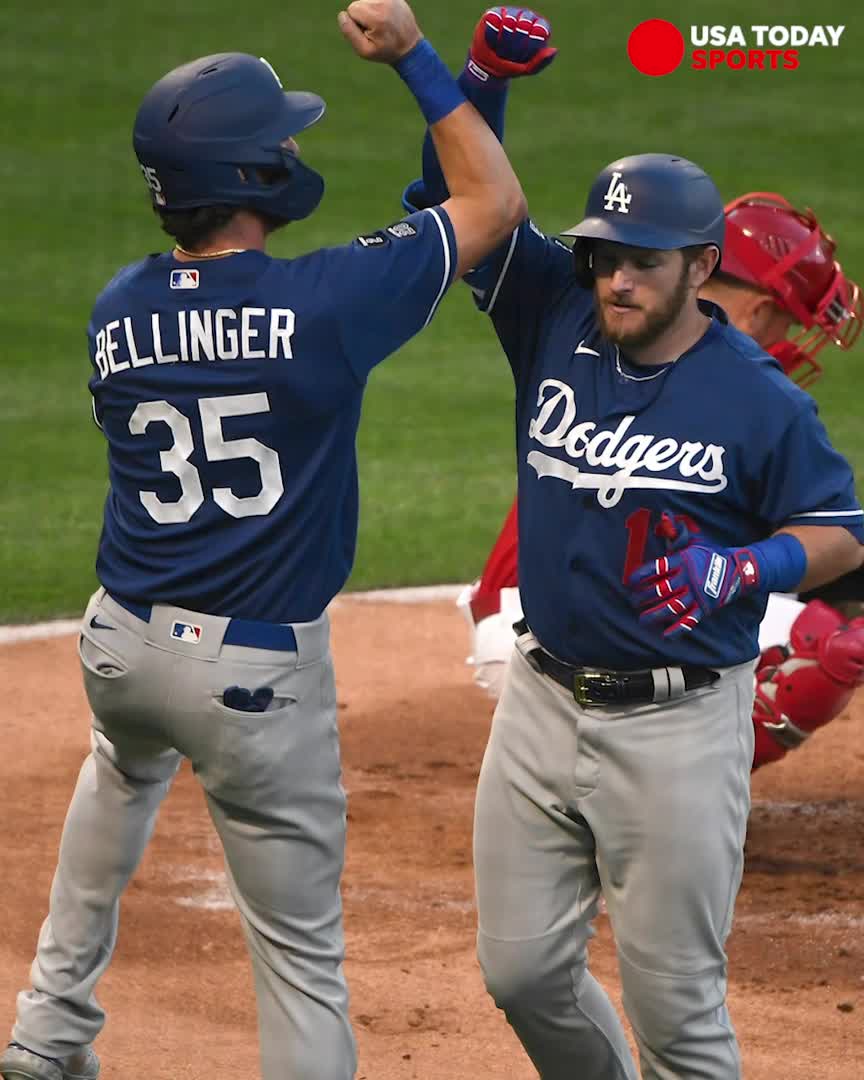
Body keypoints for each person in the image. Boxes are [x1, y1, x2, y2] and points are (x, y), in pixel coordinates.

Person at [0, 4, 528, 1080]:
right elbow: (496, 203)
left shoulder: (116, 309)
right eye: (280, 143)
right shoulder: (327, 302)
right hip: (251, 679)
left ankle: (46, 1037)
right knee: (298, 957)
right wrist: (421, 60)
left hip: (120, 647)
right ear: (248, 178)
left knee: (121, 768)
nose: (295, 152)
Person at [406, 8, 863, 1078]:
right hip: (538, 701)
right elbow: (454, 207)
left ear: (700, 267)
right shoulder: (553, 316)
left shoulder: (758, 401)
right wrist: (472, 80)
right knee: (520, 973)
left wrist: (750, 566)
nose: (615, 277)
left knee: (682, 1025)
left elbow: (841, 532)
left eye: (641, 262)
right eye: (603, 254)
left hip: (677, 731)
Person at [457, 189, 864, 771]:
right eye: (790, 319)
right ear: (755, 307)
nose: (797, 341)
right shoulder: (727, 390)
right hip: (570, 635)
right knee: (834, 648)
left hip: (533, 624)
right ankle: (687, 777)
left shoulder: (626, 352)